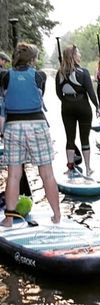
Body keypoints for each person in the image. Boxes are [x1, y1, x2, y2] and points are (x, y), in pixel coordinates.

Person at [0, 43, 60, 227]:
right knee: (47, 174)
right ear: (33, 59)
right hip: (37, 124)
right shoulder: (40, 75)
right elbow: (39, 94)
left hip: (13, 126)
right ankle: (57, 216)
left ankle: (9, 219)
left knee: (14, 175)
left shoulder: (5, 75)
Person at [55, 45, 100, 176]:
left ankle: (70, 168)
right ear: (73, 56)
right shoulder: (84, 72)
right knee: (84, 138)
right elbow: (91, 92)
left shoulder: (60, 73)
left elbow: (58, 93)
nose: (80, 55)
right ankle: (88, 168)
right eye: (78, 53)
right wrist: (97, 106)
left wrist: (66, 102)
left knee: (70, 138)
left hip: (67, 107)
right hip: (83, 106)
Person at [0, 51, 11, 136]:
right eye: (4, 61)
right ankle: (2, 134)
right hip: (1, 97)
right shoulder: (4, 72)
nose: (5, 63)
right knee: (2, 115)